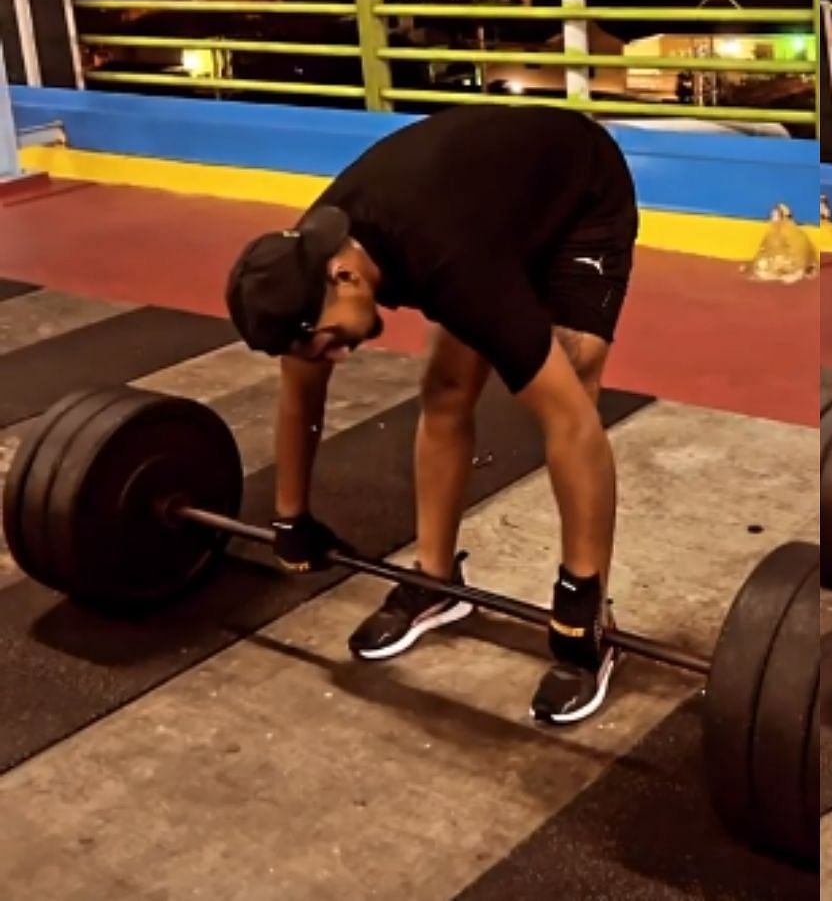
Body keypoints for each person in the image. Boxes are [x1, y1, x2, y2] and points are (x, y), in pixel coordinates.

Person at [224, 104, 638, 727]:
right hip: (485, 207)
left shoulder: (449, 263)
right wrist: (291, 517)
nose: (335, 355)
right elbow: (302, 389)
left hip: (580, 192)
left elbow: (573, 426)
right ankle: (436, 583)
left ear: (345, 276)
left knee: (569, 390)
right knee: (446, 389)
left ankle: (588, 619)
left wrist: (576, 601)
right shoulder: (305, 268)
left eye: (333, 340)